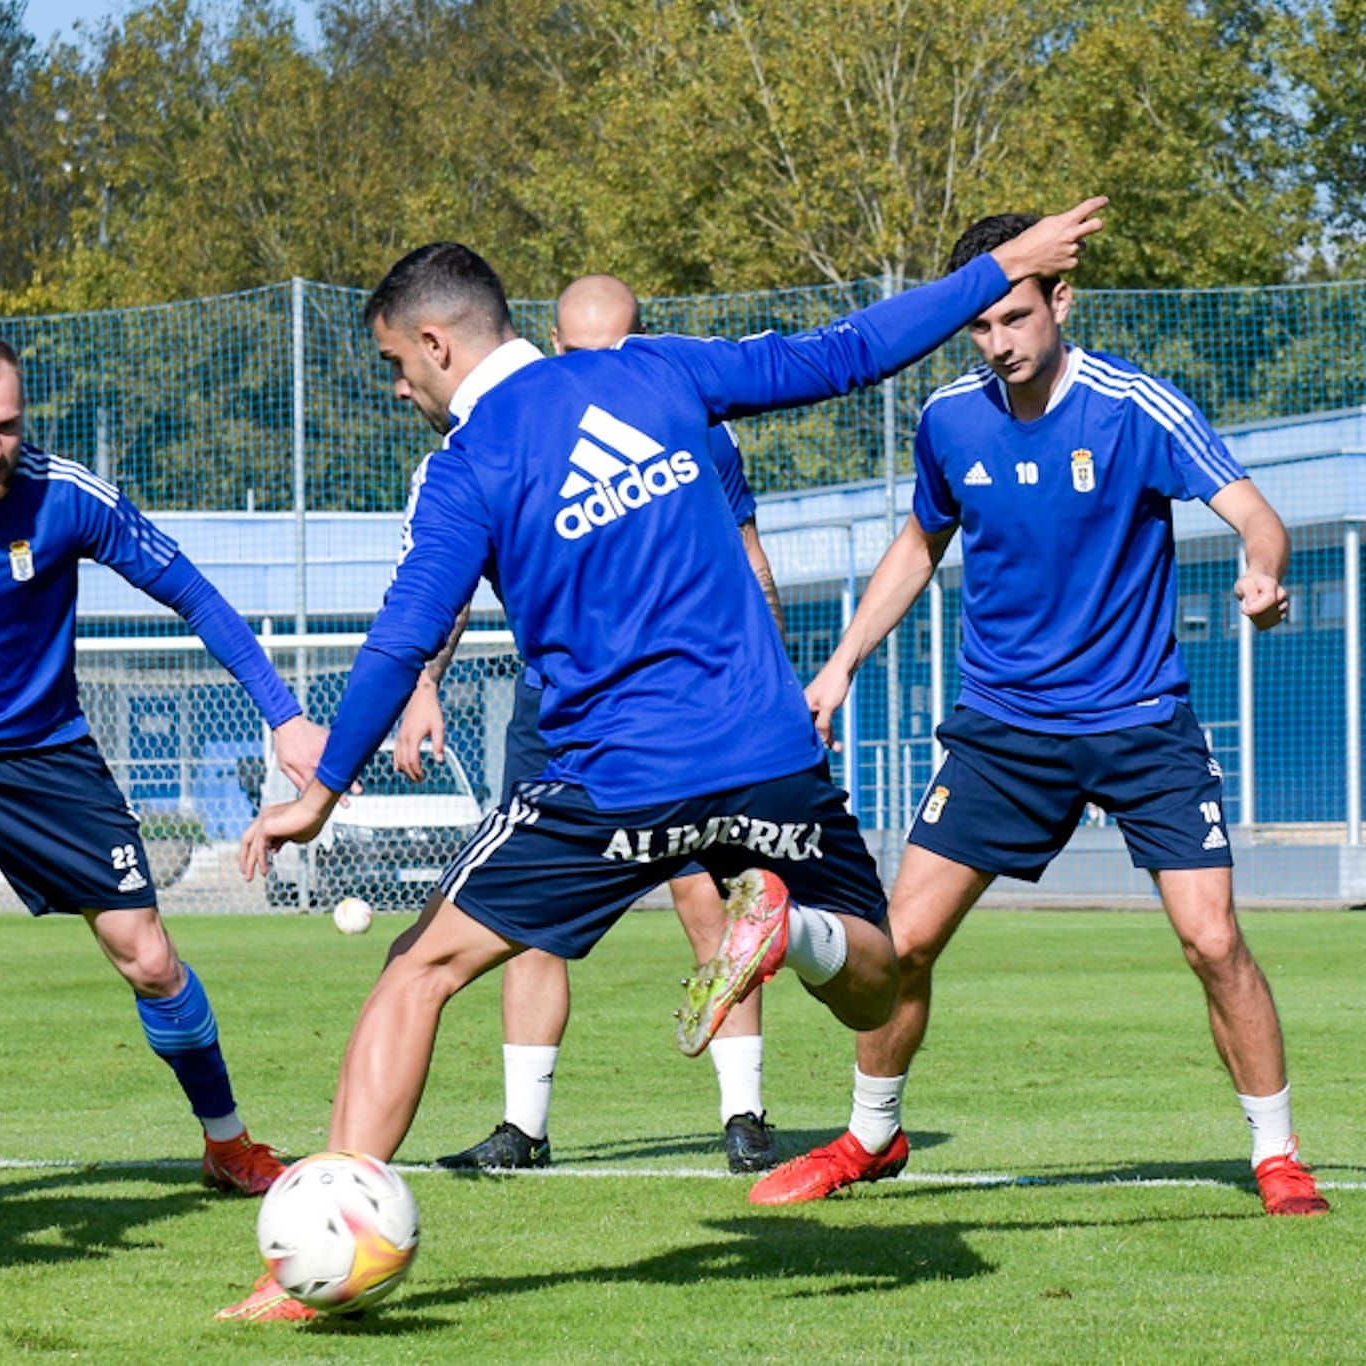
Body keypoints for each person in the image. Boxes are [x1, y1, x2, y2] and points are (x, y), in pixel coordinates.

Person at [219, 206, 1106, 1321]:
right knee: (877, 974)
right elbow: (843, 353)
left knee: (419, 969)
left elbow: (403, 636)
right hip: (768, 752)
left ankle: (310, 1267)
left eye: (396, 366)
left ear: (438, 345)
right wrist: (994, 267)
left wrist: (320, 792)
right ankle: (793, 931)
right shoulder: (658, 373)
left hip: (616, 783)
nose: (399, 390)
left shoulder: (470, 462)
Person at [748, 214, 1327, 1216]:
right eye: (978, 326)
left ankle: (1274, 1156)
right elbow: (917, 547)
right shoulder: (948, 420)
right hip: (1002, 729)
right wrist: (840, 662)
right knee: (902, 942)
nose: (997, 342)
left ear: (1058, 302)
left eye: (1013, 317)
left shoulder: (1131, 406)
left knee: (1212, 940)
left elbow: (1252, 514)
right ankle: (872, 1137)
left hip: (1139, 721)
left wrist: (1263, 573)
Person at [0, 332, 328, 1201]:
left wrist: (286, 715)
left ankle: (227, 1142)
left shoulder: (64, 495)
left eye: (8, 424)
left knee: (148, 958)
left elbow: (188, 589)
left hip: (45, 753)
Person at [404, 274, 786, 1174]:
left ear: (646, 343)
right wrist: (425, 684)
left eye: (614, 351)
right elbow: (446, 588)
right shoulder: (512, 433)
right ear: (552, 344)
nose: (597, 369)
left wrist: (780, 688)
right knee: (529, 911)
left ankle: (746, 1114)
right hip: (559, 708)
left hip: (683, 706)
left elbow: (748, 561)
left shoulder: (693, 426)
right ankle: (522, 1128)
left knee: (713, 894)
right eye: (579, 354)